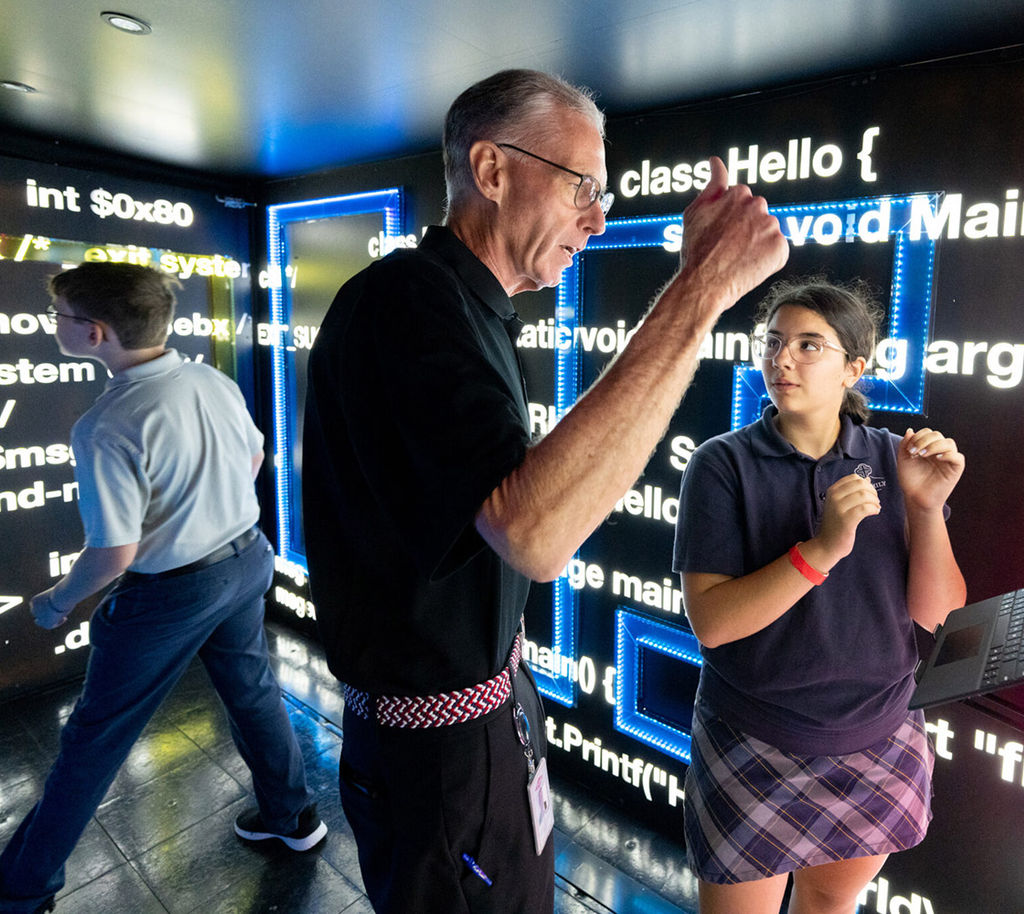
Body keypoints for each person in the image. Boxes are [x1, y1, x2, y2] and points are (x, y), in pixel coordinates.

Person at [301, 67, 788, 914]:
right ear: (491, 171)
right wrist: (701, 287)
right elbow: (535, 531)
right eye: (581, 189)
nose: (597, 219)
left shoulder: (471, 309)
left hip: (485, 718)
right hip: (438, 754)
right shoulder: (406, 301)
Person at [0, 263, 325, 914]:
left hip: (173, 594)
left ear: (94, 334)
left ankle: (18, 891)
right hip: (246, 559)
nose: (53, 325)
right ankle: (294, 818)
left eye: (59, 316)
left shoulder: (105, 424)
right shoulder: (208, 378)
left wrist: (58, 602)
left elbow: (113, 553)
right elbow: (254, 459)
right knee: (253, 694)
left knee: (95, 740)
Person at [672, 279, 967, 914]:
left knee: (828, 907)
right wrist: (823, 549)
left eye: (809, 345)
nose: (782, 360)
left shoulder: (898, 459)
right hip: (754, 736)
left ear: (854, 368)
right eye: (774, 342)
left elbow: (937, 615)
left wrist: (926, 507)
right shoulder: (721, 464)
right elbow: (714, 623)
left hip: (878, 732)